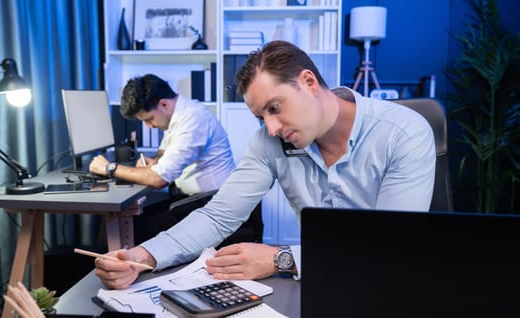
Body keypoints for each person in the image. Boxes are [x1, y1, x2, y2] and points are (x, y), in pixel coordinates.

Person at [94, 40, 435, 289]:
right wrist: (142, 256)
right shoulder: (269, 142)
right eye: (261, 117)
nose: (271, 128)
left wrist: (279, 259)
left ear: (309, 83)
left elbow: (390, 249)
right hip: (318, 284)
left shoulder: (403, 132)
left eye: (275, 107)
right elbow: (217, 216)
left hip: (387, 287)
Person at [89, 74, 236, 242]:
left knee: (125, 228)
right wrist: (154, 162)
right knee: (121, 221)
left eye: (149, 119)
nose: (149, 126)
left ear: (164, 104)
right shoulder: (178, 114)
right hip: (192, 200)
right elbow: (163, 152)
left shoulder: (193, 119)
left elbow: (159, 180)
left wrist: (110, 168)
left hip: (210, 206)